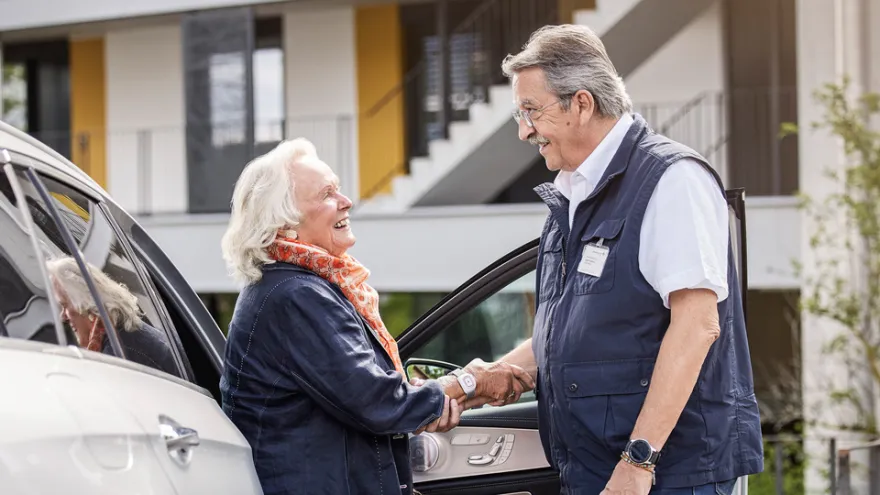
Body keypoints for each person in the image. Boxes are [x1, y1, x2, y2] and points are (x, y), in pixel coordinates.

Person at [479, 24, 764, 494]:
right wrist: (487, 378)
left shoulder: (672, 180)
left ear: (582, 104)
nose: (524, 130)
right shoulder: (574, 194)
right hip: (594, 471)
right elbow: (573, 331)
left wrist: (638, 462)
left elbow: (697, 326)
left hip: (667, 477)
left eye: (531, 110)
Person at [218, 138, 534, 495]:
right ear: (284, 223)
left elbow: (360, 394)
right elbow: (378, 402)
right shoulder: (296, 296)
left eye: (338, 189)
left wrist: (459, 391)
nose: (346, 201)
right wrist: (469, 382)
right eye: (327, 194)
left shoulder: (293, 288)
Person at [46, 256, 178, 375]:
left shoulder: (118, 356)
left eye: (65, 305)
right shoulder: (121, 332)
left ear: (85, 303)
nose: (63, 317)